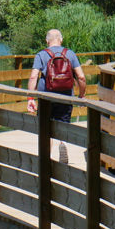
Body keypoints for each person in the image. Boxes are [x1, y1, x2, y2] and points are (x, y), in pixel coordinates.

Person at [27, 29, 86, 161]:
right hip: (66, 96)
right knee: (63, 123)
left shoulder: (41, 55)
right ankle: (63, 143)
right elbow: (81, 77)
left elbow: (33, 77)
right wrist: (81, 96)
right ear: (61, 39)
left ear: (47, 41)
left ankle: (45, 158)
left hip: (45, 97)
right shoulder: (70, 54)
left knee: (45, 128)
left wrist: (30, 98)